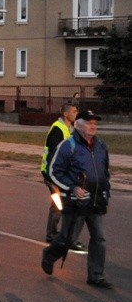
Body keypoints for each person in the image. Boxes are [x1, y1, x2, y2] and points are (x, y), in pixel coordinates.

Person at [42, 110, 112, 289]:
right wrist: (72, 188)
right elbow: (53, 172)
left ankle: (96, 276)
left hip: (96, 201)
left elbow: (105, 173)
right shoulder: (68, 146)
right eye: (89, 122)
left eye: (95, 123)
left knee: (99, 239)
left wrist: (106, 191)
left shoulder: (101, 146)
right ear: (79, 125)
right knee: (67, 238)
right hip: (76, 203)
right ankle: (50, 255)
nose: (93, 126)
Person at [40, 103, 85, 250]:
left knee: (63, 202)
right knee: (59, 203)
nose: (76, 113)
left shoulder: (69, 129)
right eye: (73, 111)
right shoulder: (57, 130)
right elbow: (55, 155)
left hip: (62, 174)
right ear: (65, 114)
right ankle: (52, 234)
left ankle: (57, 233)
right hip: (52, 173)